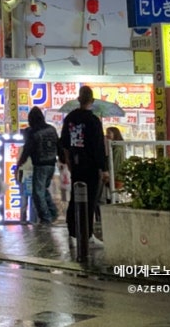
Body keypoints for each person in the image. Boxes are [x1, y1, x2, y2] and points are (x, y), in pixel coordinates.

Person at [60, 85, 107, 248]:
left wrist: (68, 161)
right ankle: (87, 235)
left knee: (75, 198)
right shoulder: (94, 121)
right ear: (92, 101)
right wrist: (104, 168)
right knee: (90, 200)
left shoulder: (70, 118)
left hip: (76, 164)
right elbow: (98, 147)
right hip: (91, 165)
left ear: (78, 99)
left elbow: (64, 143)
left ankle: (73, 232)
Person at [16, 106, 60, 224]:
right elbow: (58, 144)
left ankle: (46, 217)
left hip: (40, 164)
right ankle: (53, 212)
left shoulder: (33, 132)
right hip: (51, 164)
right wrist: (62, 159)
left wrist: (19, 163)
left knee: (37, 193)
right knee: (43, 189)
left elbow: (27, 150)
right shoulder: (51, 129)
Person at [104, 126, 126, 201]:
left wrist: (110, 175)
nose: (107, 135)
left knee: (113, 196)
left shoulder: (117, 148)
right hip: (116, 175)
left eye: (109, 133)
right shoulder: (115, 146)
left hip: (116, 176)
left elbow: (115, 163)